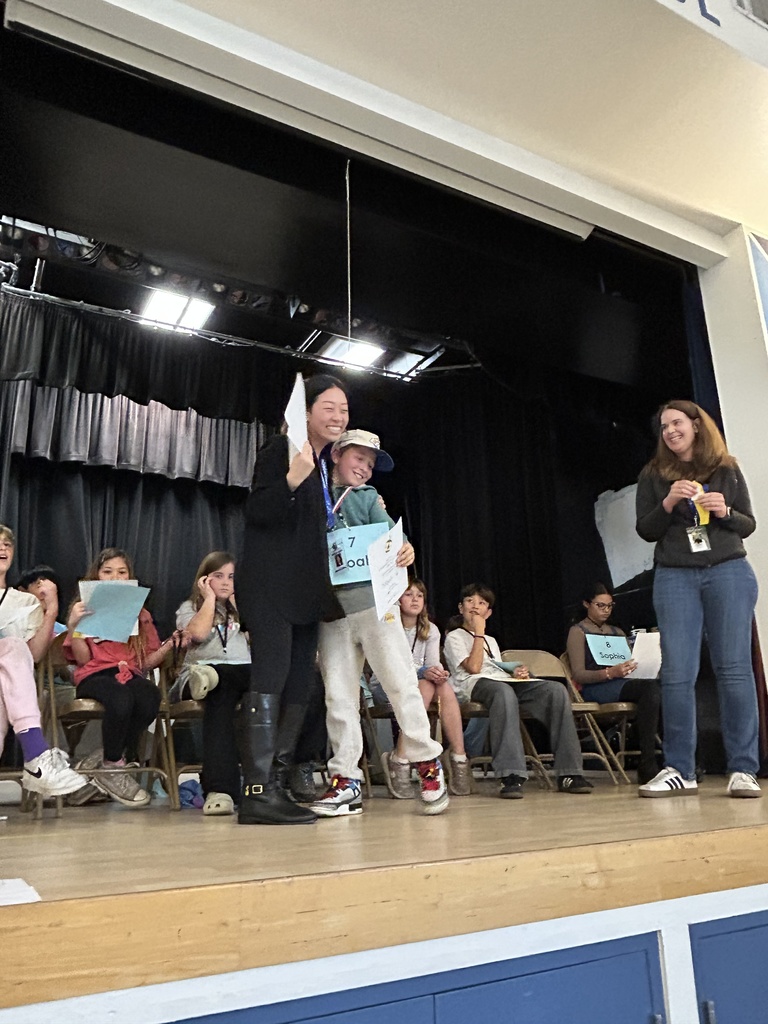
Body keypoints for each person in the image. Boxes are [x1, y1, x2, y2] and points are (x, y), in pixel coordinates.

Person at [236, 374, 350, 826]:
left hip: (305, 592)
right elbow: (258, 512)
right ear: (305, 413)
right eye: (329, 407)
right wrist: (291, 477)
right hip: (269, 587)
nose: (339, 416)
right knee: (272, 677)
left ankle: (278, 783)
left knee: (301, 685)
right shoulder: (279, 449)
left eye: (344, 409)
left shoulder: (324, 466)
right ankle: (257, 792)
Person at [314, 430, 448, 816]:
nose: (365, 468)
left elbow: (392, 538)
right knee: (339, 696)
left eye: (371, 465)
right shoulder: (315, 495)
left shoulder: (369, 498)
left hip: (376, 606)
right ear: (337, 455)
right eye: (359, 459)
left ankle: (427, 762)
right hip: (332, 612)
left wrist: (404, 548)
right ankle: (346, 779)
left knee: (401, 684)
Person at [635, 399, 761, 799]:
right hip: (675, 576)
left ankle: (743, 768)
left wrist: (724, 511)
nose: (670, 431)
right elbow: (646, 530)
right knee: (677, 674)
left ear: (696, 425)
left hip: (727, 571)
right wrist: (669, 502)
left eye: (676, 423)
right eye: (663, 426)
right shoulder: (653, 474)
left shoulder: (726, 468)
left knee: (735, 669)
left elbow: (748, 524)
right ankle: (679, 768)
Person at [443, 583, 592, 798]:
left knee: (556, 691)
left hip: (502, 681)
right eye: (470, 601)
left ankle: (570, 773)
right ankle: (510, 774)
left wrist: (516, 673)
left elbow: (495, 668)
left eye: (482, 603)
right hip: (473, 685)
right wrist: (478, 632)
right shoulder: (455, 637)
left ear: (489, 612)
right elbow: (474, 668)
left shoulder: (491, 641)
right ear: (460, 608)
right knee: (503, 693)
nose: (475, 606)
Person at [65, 547, 177, 808]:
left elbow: (145, 662)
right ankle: (113, 765)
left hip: (130, 672)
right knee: (121, 698)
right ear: (96, 576)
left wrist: (170, 645)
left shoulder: (141, 614)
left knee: (149, 697)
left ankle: (102, 761)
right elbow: (81, 659)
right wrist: (74, 626)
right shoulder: (84, 608)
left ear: (130, 577)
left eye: (121, 572)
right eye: (107, 572)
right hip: (95, 675)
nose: (115, 577)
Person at [0, 526, 85, 798]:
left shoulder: (24, 601)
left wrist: (52, 611)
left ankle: (37, 756)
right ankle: (36, 754)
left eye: (7, 544)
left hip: (6, 682)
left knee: (13, 652)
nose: (2, 548)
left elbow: (33, 655)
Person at [375, 580, 472, 798]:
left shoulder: (431, 630)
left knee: (439, 684)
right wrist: (424, 673)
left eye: (420, 595)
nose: (415, 599)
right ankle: (404, 758)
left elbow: (433, 664)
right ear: (397, 600)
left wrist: (438, 673)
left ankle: (456, 756)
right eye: (409, 594)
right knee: (426, 683)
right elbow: (390, 669)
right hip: (386, 686)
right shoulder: (387, 626)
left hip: (419, 688)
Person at [175, 551, 250, 816]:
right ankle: (221, 790)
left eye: (231, 577)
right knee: (218, 692)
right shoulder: (189, 608)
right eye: (218, 576)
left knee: (255, 693)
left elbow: (261, 641)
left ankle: (243, 787)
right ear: (204, 579)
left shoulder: (244, 607)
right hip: (199, 674)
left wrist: (241, 605)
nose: (226, 582)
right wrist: (208, 599)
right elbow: (197, 633)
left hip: (240, 674)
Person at [566, 583, 661, 784]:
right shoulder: (578, 631)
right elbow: (579, 674)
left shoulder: (617, 632)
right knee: (648, 690)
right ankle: (648, 761)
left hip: (623, 683)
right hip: (596, 688)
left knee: (658, 688)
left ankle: (666, 758)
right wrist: (609, 673)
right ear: (586, 604)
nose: (606, 611)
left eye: (609, 606)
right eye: (600, 606)